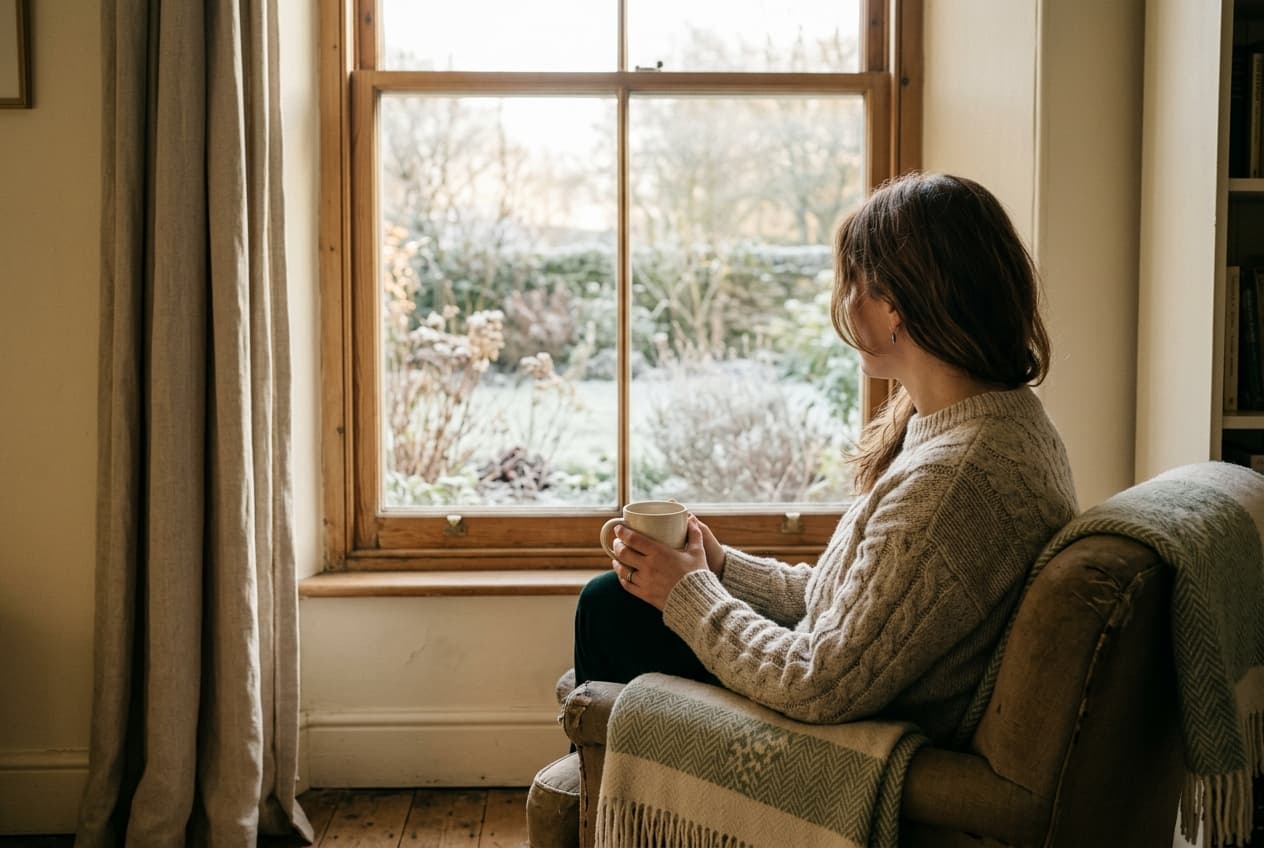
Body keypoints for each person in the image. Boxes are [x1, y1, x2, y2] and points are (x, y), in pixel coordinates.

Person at [572, 172, 1078, 745]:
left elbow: (818, 680)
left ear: (896, 307)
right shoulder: (982, 424)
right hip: (857, 697)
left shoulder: (956, 480)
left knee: (609, 607)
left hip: (840, 736)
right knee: (617, 600)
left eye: (854, 283)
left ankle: (599, 805)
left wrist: (688, 593)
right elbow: (852, 606)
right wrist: (719, 569)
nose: (843, 302)